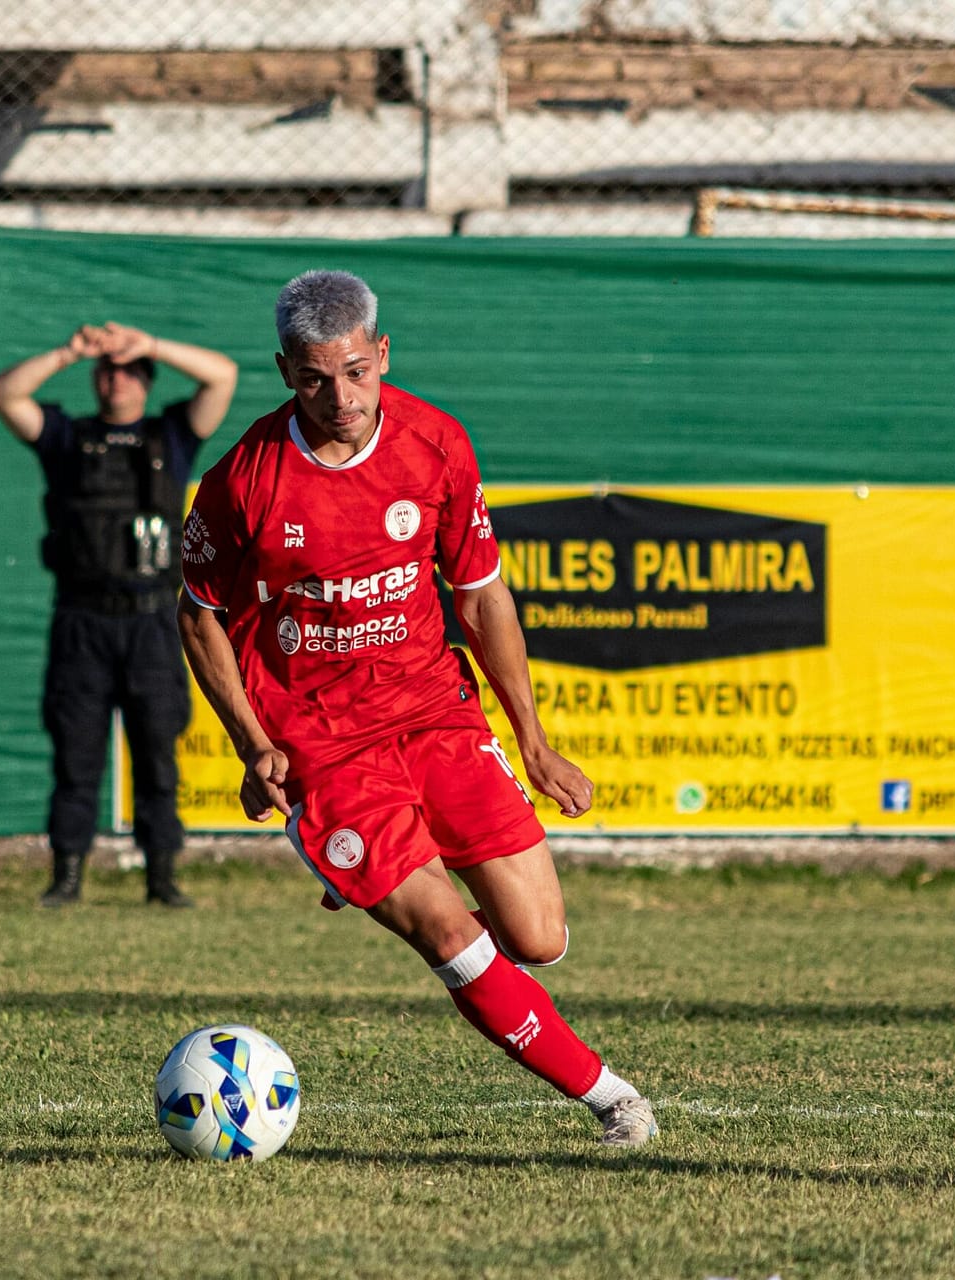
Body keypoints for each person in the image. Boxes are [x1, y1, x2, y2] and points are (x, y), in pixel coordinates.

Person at [177, 271, 658, 1146]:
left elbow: (481, 600)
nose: (341, 397)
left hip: (435, 713)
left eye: (357, 372)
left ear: (382, 354)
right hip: (322, 743)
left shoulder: (434, 445)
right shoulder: (244, 481)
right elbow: (199, 616)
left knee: (539, 937)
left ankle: (374, 866)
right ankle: (611, 1099)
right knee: (445, 928)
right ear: (286, 371)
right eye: (318, 378)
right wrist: (252, 743)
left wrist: (536, 744)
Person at [0, 322, 237, 907]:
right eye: (106, 371)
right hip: (82, 620)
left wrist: (151, 343)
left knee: (156, 749)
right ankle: (67, 874)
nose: (114, 378)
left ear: (145, 381)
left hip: (151, 618)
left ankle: (161, 877)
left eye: (127, 370)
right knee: (76, 749)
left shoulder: (169, 435)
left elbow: (222, 375)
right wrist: (69, 352)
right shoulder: (67, 438)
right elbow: (4, 394)